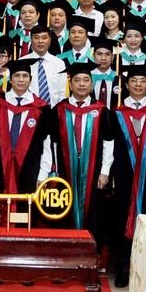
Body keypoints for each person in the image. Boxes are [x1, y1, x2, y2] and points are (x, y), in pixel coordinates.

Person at [40, 62, 114, 238]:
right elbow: (51, 143)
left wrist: (105, 171)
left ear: (92, 84)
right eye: (77, 80)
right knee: (65, 207)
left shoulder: (101, 110)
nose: (82, 84)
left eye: (86, 80)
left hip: (94, 171)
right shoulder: (59, 110)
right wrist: (51, 170)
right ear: (70, 84)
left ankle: (91, 247)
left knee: (94, 211)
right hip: (65, 170)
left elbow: (108, 142)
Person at [108, 64, 146, 287]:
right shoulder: (117, 113)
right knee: (121, 218)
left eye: (142, 81)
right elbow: (110, 146)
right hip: (124, 176)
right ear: (126, 85)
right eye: (133, 81)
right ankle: (124, 268)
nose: (138, 85)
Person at [0, 58, 52, 197]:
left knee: (26, 208)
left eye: (25, 76)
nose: (21, 80)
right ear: (10, 80)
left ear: (30, 80)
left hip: (30, 170)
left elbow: (46, 143)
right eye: (17, 76)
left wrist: (43, 173)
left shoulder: (42, 108)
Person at [20, 24, 66, 104]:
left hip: (54, 109)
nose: (40, 41)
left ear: (50, 40)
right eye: (36, 37)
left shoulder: (59, 63)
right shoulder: (21, 62)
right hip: (29, 108)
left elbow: (62, 91)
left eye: (44, 38)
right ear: (31, 40)